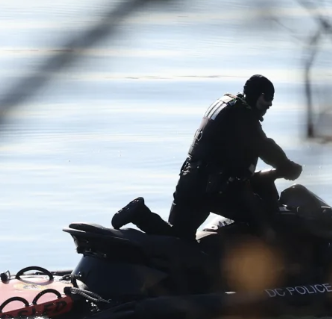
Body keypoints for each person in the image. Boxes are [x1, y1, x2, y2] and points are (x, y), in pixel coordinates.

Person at [111, 75, 303, 239]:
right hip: (212, 188)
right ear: (260, 96)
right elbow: (265, 147)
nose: (270, 104)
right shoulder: (243, 116)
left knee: (177, 238)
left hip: (190, 177)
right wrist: (288, 167)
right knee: (263, 218)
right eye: (269, 98)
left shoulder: (226, 103)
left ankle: (139, 214)